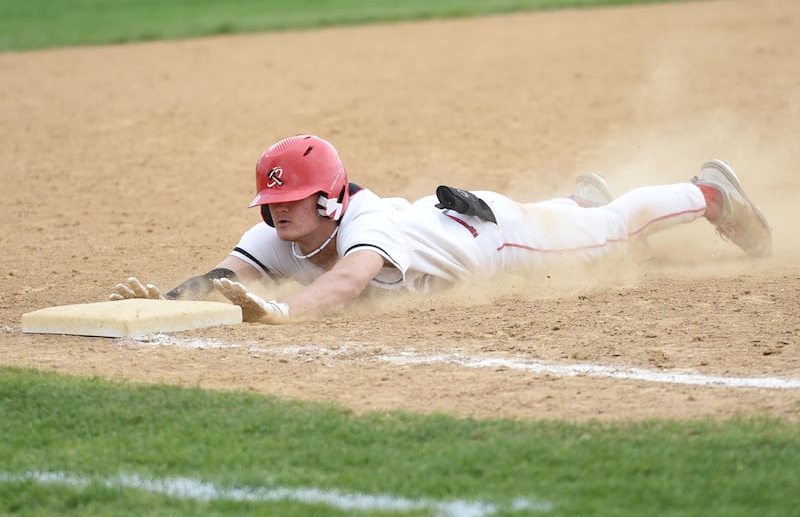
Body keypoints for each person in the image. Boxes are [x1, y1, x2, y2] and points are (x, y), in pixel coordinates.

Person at [110, 134, 772, 323]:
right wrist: (171, 302)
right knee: (586, 222)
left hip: (497, 242)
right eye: (274, 203)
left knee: (614, 229)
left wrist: (282, 312)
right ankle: (575, 205)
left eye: (298, 200)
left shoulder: (363, 224)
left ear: (333, 201)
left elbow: (350, 279)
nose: (279, 212)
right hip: (452, 221)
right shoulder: (282, 233)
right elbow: (232, 277)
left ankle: (709, 193)